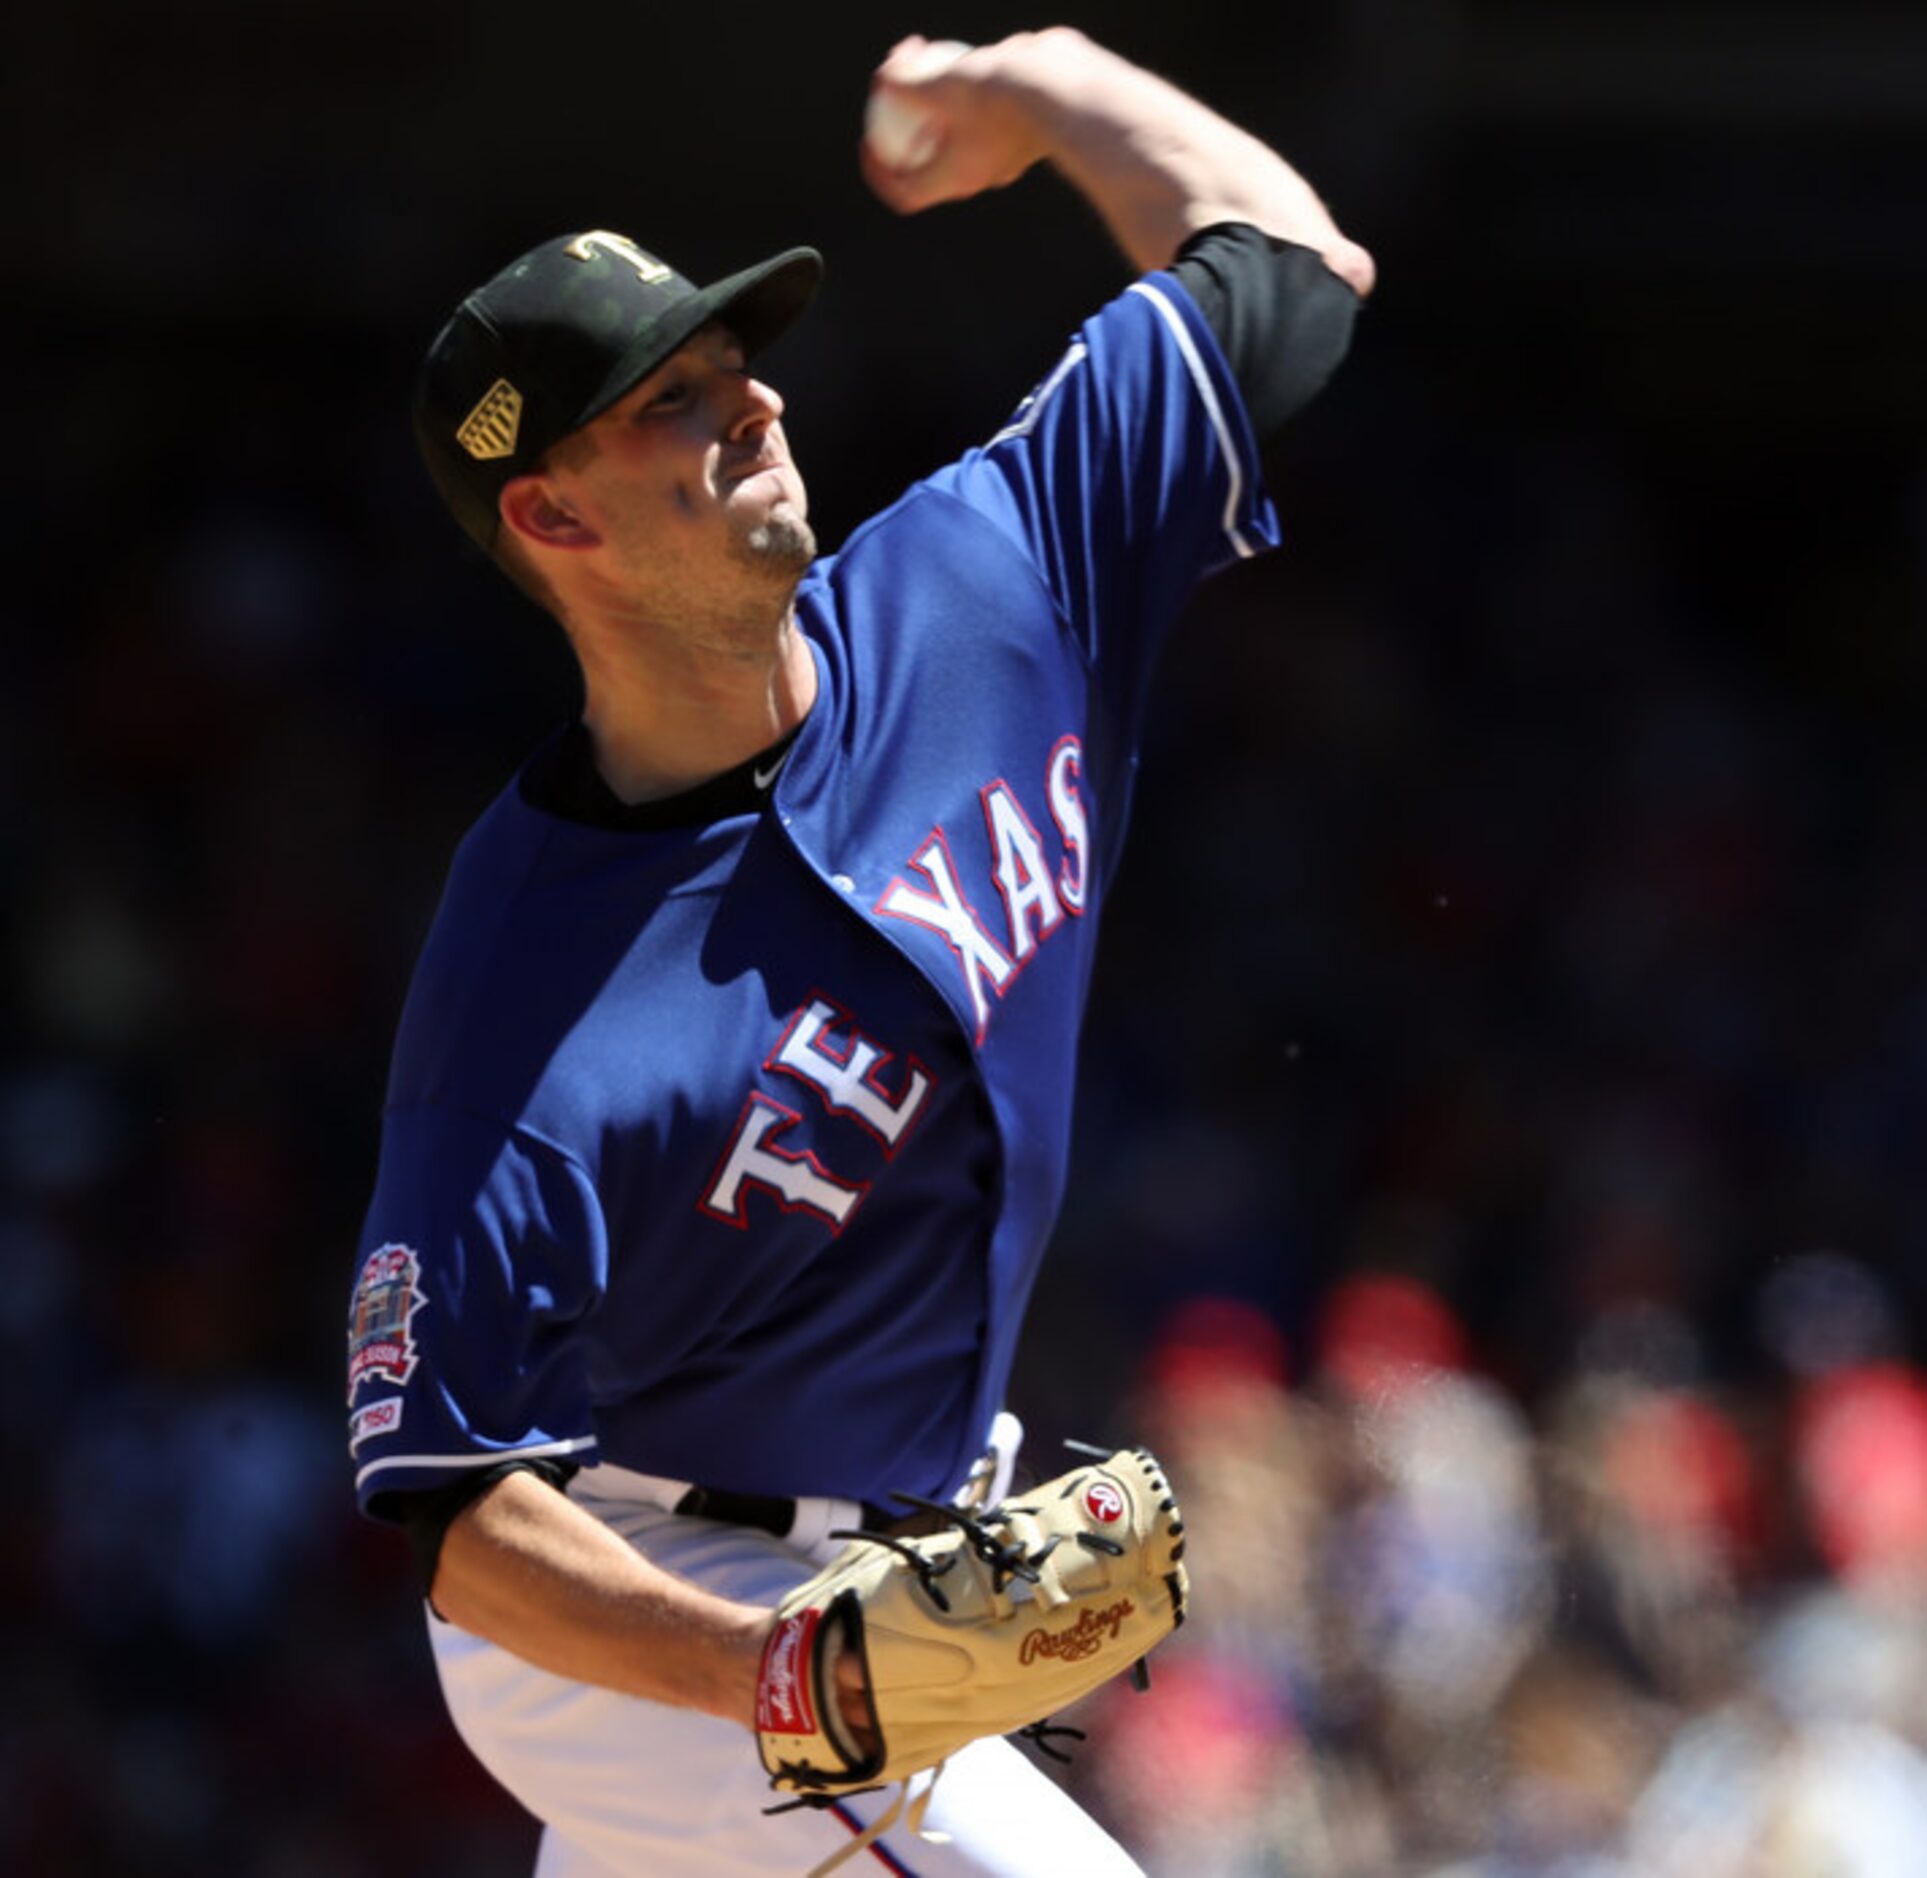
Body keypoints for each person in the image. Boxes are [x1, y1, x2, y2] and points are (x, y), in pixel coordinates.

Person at [342, 28, 1372, 1876]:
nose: (749, 403)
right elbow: (463, 1508)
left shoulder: (985, 579)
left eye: (737, 362)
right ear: (551, 515)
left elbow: (1288, 270)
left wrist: (1054, 85)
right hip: (635, 1604)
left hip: (870, 1556)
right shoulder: (525, 998)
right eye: (670, 398)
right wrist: (779, 1672)